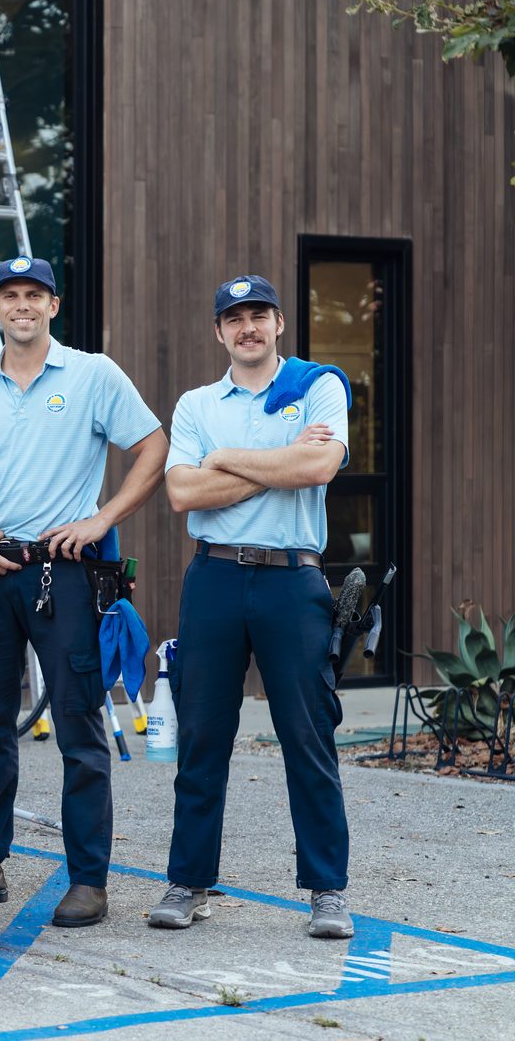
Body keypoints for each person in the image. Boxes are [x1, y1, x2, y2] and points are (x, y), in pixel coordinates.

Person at [0, 256, 167, 927]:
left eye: (33, 295)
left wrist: (103, 518)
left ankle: (88, 878)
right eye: (10, 296)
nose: (21, 306)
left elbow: (153, 448)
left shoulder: (94, 374)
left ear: (53, 305)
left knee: (78, 725)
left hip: (65, 573)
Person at [150, 274, 353, 939]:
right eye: (234, 318)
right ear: (218, 331)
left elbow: (317, 469)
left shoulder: (317, 385)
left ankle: (327, 890)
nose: (248, 327)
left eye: (258, 314)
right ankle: (188, 881)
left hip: (292, 581)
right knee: (203, 735)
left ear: (279, 322)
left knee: (308, 736)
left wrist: (230, 459)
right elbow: (182, 493)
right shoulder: (195, 403)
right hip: (213, 578)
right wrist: (281, 458)